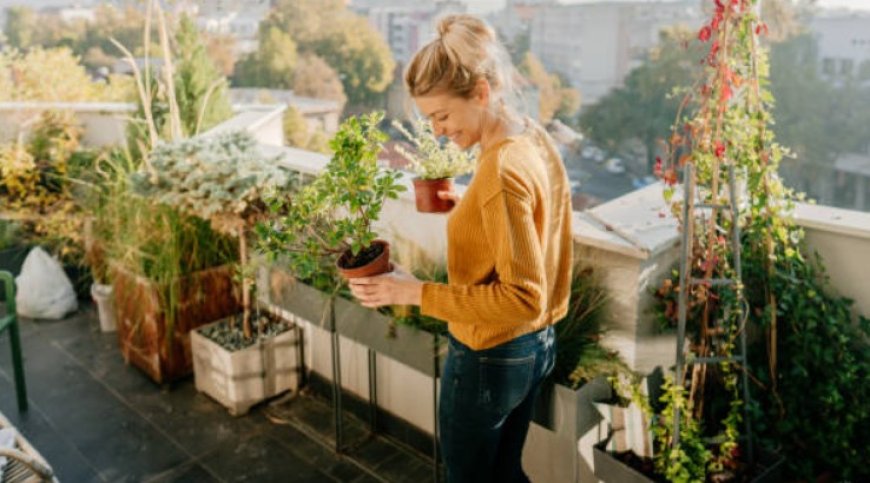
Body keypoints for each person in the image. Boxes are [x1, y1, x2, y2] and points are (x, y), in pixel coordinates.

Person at [348, 14, 573, 483]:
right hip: (536, 346)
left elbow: (520, 297)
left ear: (482, 93)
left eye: (442, 116)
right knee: (504, 474)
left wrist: (410, 292)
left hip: (492, 353)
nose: (437, 132)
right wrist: (471, 204)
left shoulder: (499, 173)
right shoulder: (529, 135)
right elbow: (536, 216)